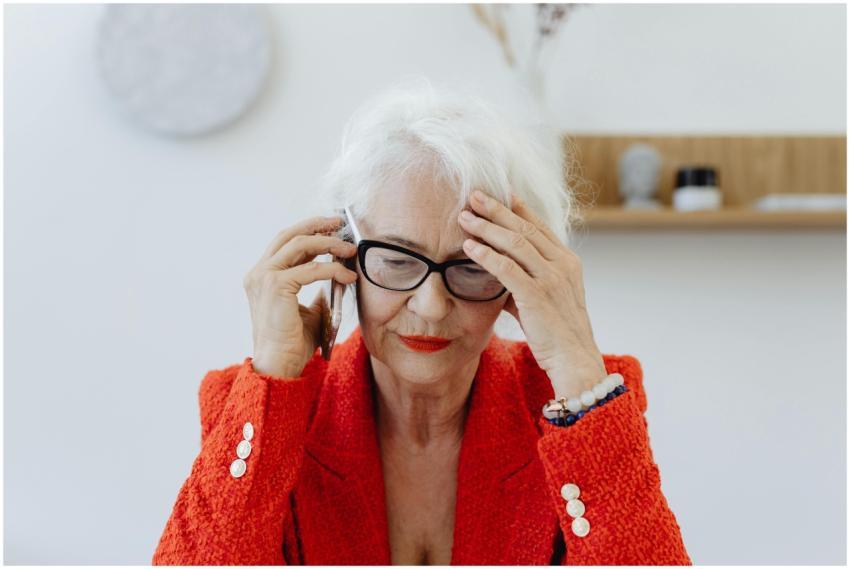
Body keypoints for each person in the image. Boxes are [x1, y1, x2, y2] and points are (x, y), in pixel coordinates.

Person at [152, 77, 691, 565]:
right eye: (396, 260)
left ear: (523, 276)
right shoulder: (253, 408)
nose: (431, 306)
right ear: (344, 258)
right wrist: (273, 367)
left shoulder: (578, 404)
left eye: (473, 267)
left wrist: (576, 362)